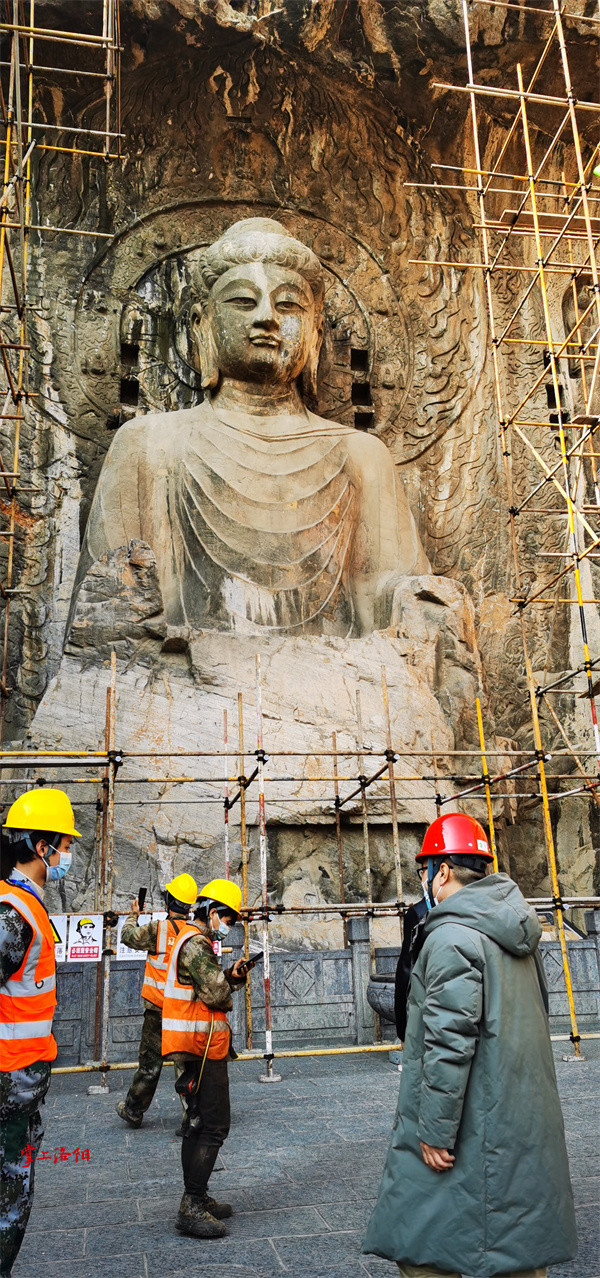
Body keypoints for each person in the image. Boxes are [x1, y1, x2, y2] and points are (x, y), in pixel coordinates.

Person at [363, 811, 577, 1278]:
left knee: (421, 1242)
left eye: (425, 870)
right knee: (513, 1239)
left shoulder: (452, 937)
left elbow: (447, 1042)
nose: (424, 880)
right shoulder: (515, 927)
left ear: (441, 871)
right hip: (519, 1113)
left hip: (470, 1119)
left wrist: (435, 1131)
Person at [0, 788, 80, 1278]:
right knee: (9, 1197)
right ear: (41, 845)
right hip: (8, 1078)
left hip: (18, 1080)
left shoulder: (23, 904)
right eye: (65, 845)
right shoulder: (14, 913)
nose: (68, 855)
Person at [161, 877, 247, 1239]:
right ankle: (192, 1203)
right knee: (213, 1125)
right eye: (227, 919)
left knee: (196, 1122)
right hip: (203, 1045)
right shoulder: (197, 944)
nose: (228, 926)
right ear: (213, 913)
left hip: (195, 1044)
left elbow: (208, 986)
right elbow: (214, 995)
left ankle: (198, 1196)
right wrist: (229, 985)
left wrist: (230, 976)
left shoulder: (188, 939)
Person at [115, 872, 198, 1133]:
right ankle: (192, 1117)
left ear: (168, 902)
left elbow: (127, 936)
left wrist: (133, 914)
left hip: (157, 1009)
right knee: (185, 1065)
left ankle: (133, 1110)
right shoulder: (194, 933)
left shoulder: (156, 930)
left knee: (150, 1064)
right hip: (184, 1012)